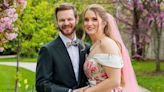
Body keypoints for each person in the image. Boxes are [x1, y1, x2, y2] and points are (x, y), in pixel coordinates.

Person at [82, 4, 139, 92]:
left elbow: (115, 81)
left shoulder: (107, 44)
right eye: (86, 20)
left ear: (104, 23)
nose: (89, 23)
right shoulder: (95, 45)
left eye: (94, 19)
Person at [36, 3, 90, 92]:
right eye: (62, 20)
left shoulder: (86, 47)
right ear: (56, 21)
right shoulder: (47, 50)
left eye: (69, 19)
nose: (66, 23)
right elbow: (41, 84)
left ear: (76, 19)